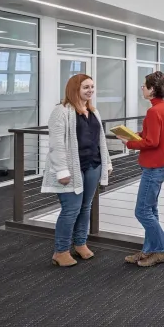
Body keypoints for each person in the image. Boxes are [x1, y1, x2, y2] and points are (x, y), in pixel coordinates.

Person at [43, 74, 112, 267]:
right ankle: (61, 251)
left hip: (93, 165)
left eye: (92, 87)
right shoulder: (61, 111)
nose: (90, 90)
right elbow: (56, 144)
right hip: (71, 168)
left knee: (85, 207)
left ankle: (80, 243)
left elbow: (101, 140)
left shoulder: (93, 111)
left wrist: (106, 162)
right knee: (71, 209)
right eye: (85, 87)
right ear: (75, 89)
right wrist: (61, 170)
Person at [117, 71, 164, 268]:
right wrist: (134, 135)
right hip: (160, 165)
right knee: (151, 210)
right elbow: (152, 134)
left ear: (152, 89)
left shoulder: (154, 111)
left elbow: (152, 141)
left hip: (154, 167)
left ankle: (162, 249)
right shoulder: (163, 107)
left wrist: (130, 144)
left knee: (142, 211)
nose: (142, 88)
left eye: (144, 86)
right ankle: (149, 250)